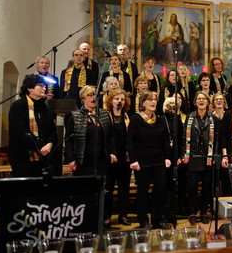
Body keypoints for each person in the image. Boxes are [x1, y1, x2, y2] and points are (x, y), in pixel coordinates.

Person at [127, 91, 172, 229]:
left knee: (160, 190)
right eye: (150, 99)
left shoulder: (160, 119)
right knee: (143, 191)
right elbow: (130, 141)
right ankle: (143, 220)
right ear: (142, 103)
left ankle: (157, 219)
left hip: (158, 160)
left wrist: (167, 157)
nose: (153, 102)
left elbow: (164, 140)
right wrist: (133, 160)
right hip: (142, 162)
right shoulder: (135, 119)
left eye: (155, 100)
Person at [8, 74, 57, 177]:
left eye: (44, 85)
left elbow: (52, 131)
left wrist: (50, 144)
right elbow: (20, 132)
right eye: (40, 85)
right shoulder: (18, 106)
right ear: (29, 88)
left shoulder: (45, 108)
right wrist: (39, 146)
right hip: (23, 157)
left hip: (43, 157)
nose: (44, 88)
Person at [65, 85, 116, 176]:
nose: (93, 97)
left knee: (101, 188)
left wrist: (112, 152)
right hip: (83, 160)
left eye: (95, 95)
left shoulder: (104, 114)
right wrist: (70, 159)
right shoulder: (75, 116)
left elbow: (111, 135)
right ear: (83, 98)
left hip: (102, 159)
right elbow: (68, 140)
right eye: (90, 95)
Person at [183, 91, 216, 224]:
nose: (201, 101)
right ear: (195, 101)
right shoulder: (190, 117)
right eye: (199, 99)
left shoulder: (213, 118)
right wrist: (184, 154)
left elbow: (217, 139)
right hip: (193, 156)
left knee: (207, 187)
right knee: (192, 186)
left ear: (208, 102)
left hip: (207, 157)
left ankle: (203, 213)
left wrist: (215, 155)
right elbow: (183, 138)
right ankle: (192, 212)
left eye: (204, 99)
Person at [104, 89, 132, 227]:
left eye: (122, 99)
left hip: (124, 158)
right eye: (116, 99)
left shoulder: (127, 117)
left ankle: (123, 215)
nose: (119, 101)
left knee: (124, 188)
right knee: (108, 188)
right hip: (110, 158)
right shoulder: (105, 117)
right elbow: (105, 138)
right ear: (111, 101)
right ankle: (107, 216)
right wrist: (110, 152)